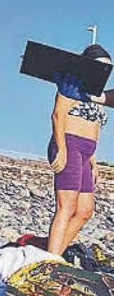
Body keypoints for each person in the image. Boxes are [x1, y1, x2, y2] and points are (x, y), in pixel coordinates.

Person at [46, 45, 110, 255]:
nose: (104, 73)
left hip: (86, 152)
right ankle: (51, 262)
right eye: (100, 67)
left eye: (108, 69)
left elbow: (92, 126)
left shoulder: (97, 95)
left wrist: (93, 160)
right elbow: (57, 115)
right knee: (67, 206)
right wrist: (62, 149)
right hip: (69, 144)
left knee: (85, 210)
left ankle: (53, 254)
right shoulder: (72, 85)